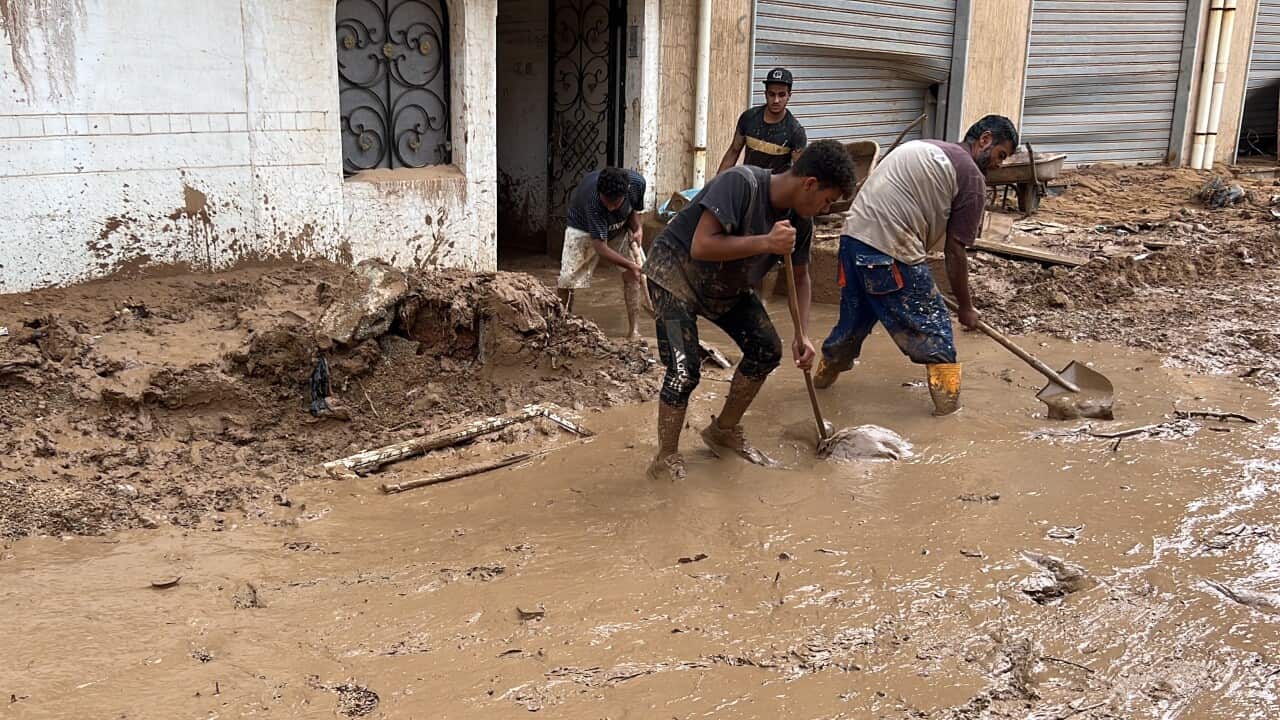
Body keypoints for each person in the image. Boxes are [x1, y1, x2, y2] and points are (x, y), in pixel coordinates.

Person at [643, 139, 857, 481]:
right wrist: (766, 243)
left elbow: (800, 279)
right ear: (810, 184)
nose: (823, 209)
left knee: (766, 349)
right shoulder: (741, 183)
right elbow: (701, 245)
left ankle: (723, 430)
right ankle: (666, 456)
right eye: (827, 201)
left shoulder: (800, 224)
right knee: (685, 369)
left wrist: (803, 335)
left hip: (727, 287)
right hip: (675, 276)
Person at [811, 115, 1019, 415]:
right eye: (1001, 155)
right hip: (890, 251)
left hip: (852, 241)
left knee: (852, 325)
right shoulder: (972, 178)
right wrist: (965, 307)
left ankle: (821, 382)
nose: (999, 164)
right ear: (985, 140)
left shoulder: (927, 147)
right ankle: (950, 417)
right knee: (937, 334)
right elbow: (955, 251)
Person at [557, 167, 648, 339]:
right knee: (568, 279)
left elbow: (634, 210)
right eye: (607, 202)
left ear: (626, 191)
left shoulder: (637, 184)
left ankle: (634, 331)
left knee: (632, 276)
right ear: (599, 192)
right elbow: (600, 247)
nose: (611, 208)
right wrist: (630, 264)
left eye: (616, 203)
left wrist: (638, 228)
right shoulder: (593, 200)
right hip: (582, 228)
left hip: (619, 227)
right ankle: (561, 325)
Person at [716, 67, 808, 175]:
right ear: (765, 94)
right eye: (772, 94)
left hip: (776, 189)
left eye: (781, 95)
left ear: (789, 96)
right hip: (748, 185)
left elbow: (800, 173)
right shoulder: (749, 118)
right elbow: (733, 151)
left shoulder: (795, 132)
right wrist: (715, 185)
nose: (776, 100)